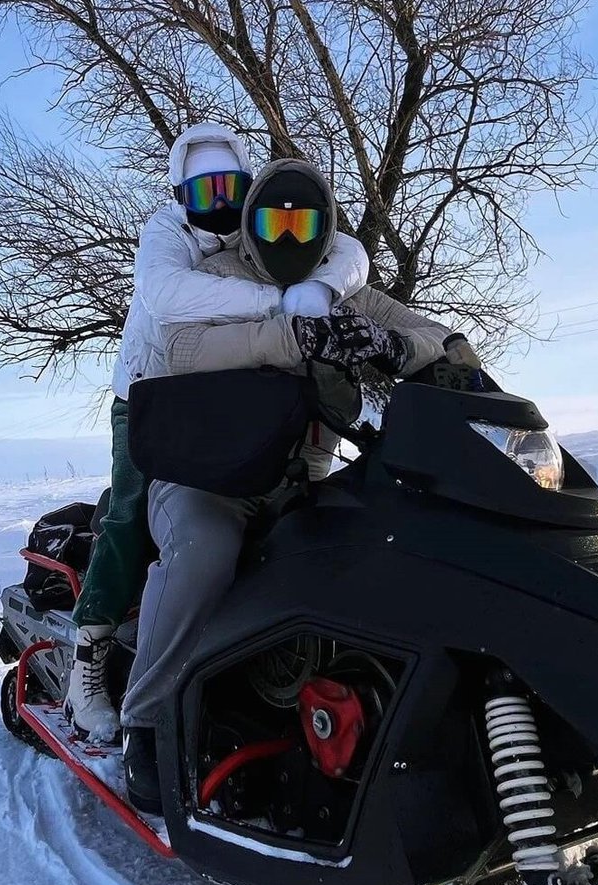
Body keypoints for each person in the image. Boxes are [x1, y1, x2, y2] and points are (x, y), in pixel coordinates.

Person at [117, 155, 480, 814]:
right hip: (206, 481)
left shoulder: (338, 288)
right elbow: (178, 350)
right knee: (205, 554)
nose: (288, 234)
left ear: (325, 227)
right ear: (253, 223)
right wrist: (287, 335)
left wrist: (402, 349)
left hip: (304, 481)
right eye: (274, 219)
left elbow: (443, 335)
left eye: (303, 220)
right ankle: (143, 721)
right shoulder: (219, 278)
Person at [63, 123, 373, 742]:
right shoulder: (165, 233)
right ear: (181, 194)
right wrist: (278, 304)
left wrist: (321, 288)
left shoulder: (259, 222)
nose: (221, 202)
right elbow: (165, 293)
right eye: (204, 191)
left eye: (231, 186)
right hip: (151, 394)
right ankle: (88, 660)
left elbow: (348, 249)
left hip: (241, 398)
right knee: (129, 514)